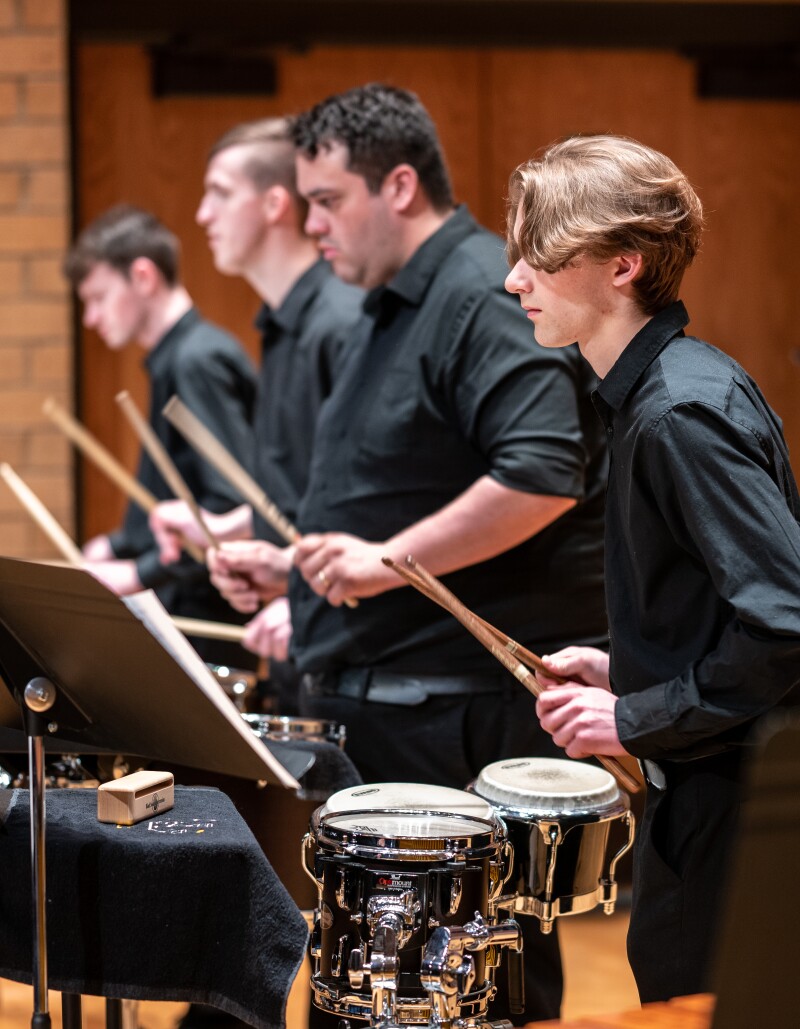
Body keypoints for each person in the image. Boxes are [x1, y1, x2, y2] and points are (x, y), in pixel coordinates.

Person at [210, 83, 608, 1024]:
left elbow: (544, 472)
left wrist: (387, 561)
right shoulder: (386, 305)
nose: (310, 225)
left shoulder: (478, 292)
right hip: (392, 716)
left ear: (397, 186)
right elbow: (395, 486)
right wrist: (295, 567)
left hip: (453, 723)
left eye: (325, 200)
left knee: (467, 1000)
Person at [504, 133, 800, 1002]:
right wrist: (622, 664)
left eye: (541, 255)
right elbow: (720, 600)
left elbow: (787, 619)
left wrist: (635, 712)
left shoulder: (679, 412)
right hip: (708, 795)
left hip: (734, 811)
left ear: (623, 264)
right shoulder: (663, 392)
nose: (515, 278)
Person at [150, 118, 362, 706]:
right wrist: (228, 530)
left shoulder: (342, 322)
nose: (201, 215)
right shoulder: (281, 325)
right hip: (310, 632)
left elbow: (380, 500)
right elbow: (304, 497)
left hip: (355, 638)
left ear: (274, 203)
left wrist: (305, 597)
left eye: (219, 193)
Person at [64, 204, 257, 667]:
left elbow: (228, 505)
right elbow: (176, 489)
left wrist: (136, 571)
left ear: (144, 277)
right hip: (184, 599)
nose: (90, 318)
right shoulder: (178, 358)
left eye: (99, 297)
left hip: (206, 612)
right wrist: (119, 543)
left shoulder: (196, 361)